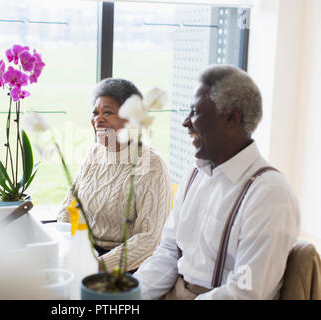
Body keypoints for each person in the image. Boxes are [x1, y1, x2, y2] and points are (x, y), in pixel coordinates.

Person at [133, 65, 300, 299]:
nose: (185, 122)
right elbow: (169, 252)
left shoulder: (270, 195)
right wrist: (128, 296)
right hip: (175, 291)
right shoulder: (195, 173)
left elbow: (245, 294)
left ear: (232, 117)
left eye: (195, 112)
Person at [57, 78, 173, 273]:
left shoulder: (152, 165)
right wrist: (66, 244)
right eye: (95, 113)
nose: (98, 119)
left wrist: (97, 267)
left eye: (107, 112)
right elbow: (69, 208)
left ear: (129, 118)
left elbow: (149, 239)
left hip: (126, 268)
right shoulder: (94, 153)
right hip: (85, 254)